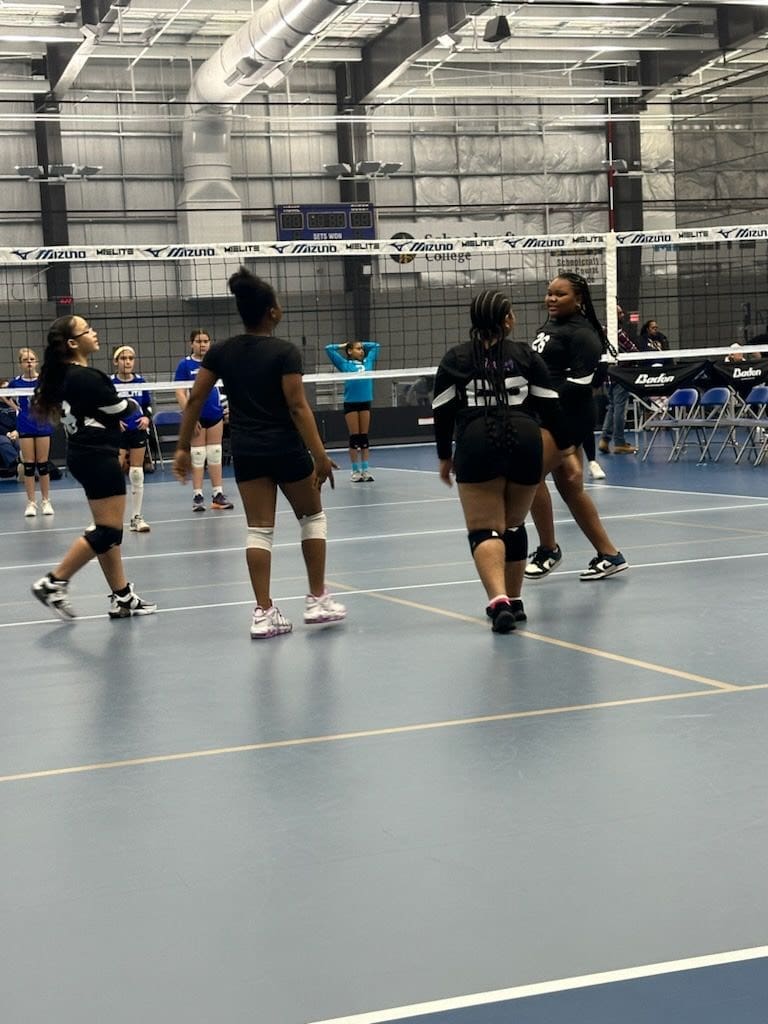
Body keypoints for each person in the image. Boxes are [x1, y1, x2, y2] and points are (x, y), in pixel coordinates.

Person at [172, 268, 346, 640]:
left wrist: (183, 447)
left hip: (248, 451)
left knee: (259, 530)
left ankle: (264, 613)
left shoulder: (221, 351)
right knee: (313, 518)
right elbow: (297, 407)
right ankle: (317, 600)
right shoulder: (285, 352)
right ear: (272, 312)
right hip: (286, 449)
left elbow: (196, 398)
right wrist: (319, 455)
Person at [433, 289, 571, 633]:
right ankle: (516, 600)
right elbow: (552, 408)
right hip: (524, 440)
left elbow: (442, 413)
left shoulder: (456, 358)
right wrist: (567, 451)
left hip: (477, 440)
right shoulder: (525, 355)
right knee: (513, 525)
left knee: (485, 529)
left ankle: (499, 601)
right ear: (507, 320)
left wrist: (444, 456)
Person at [30, 315, 157, 621]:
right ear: (73, 343)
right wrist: (133, 406)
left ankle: (122, 596)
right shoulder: (86, 378)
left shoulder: (65, 375)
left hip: (84, 454)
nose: (94, 332)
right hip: (98, 456)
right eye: (87, 330)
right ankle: (54, 582)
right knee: (108, 530)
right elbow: (121, 409)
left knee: (108, 530)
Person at [525, 273, 628, 581]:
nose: (551, 299)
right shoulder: (551, 326)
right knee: (571, 486)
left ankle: (548, 549)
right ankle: (609, 555)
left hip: (567, 415)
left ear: (579, 299)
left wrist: (539, 400)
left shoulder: (583, 334)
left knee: (528, 474)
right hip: (549, 412)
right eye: (549, 293)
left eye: (560, 294)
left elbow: (580, 385)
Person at [174, 328, 234, 513]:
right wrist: (190, 416)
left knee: (215, 453)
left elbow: (225, 386)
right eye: (199, 341)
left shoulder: (216, 362)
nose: (203, 345)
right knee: (198, 455)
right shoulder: (185, 365)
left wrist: (228, 408)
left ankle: (218, 495)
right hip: (197, 416)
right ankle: (198, 496)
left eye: (206, 341)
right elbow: (179, 392)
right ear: (191, 344)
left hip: (215, 414)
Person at [324, 339, 381, 481]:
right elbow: (328, 348)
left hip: (365, 402)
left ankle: (365, 470)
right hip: (351, 403)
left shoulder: (367, 362)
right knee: (355, 438)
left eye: (362, 349)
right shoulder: (345, 364)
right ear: (350, 351)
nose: (361, 351)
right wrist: (344, 345)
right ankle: (355, 471)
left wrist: (360, 343)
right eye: (358, 348)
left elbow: (376, 346)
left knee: (364, 438)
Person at [111, 345, 152, 532]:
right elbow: (103, 407)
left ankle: (136, 517)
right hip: (117, 433)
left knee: (136, 472)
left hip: (137, 431)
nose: (127, 362)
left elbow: (148, 406)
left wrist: (147, 418)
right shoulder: (110, 383)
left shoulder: (141, 381)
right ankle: (107, 518)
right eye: (123, 358)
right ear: (116, 362)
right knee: (112, 473)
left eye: (130, 358)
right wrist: (113, 421)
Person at [10, 348, 55, 516]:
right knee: (28, 465)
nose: (29, 362)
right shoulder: (15, 382)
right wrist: (15, 407)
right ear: (20, 364)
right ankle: (31, 503)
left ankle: (46, 501)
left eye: (32, 359)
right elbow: (4, 395)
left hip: (42, 424)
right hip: (25, 424)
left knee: (43, 464)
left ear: (36, 362)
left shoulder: (43, 380)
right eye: (25, 360)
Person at [598, 305, 638, 455]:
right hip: (620, 376)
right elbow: (634, 351)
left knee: (612, 408)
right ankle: (619, 443)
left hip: (607, 376)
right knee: (620, 409)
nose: (623, 315)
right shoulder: (618, 333)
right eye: (620, 313)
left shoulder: (601, 332)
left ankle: (604, 440)